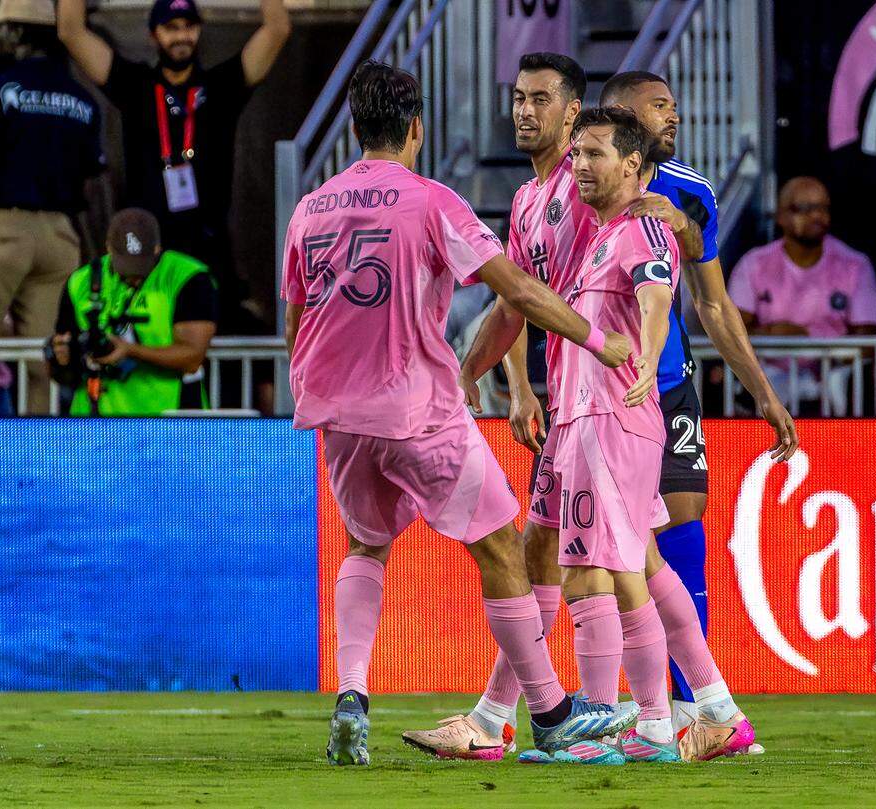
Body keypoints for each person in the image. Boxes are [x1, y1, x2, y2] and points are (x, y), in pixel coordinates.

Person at [402, 56, 786, 763]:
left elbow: (676, 249)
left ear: (575, 113)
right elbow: (515, 300)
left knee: (593, 561)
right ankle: (706, 708)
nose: (524, 112)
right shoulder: (528, 203)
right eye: (517, 98)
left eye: (540, 100)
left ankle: (596, 721)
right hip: (576, 399)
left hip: (628, 395)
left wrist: (675, 224)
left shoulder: (604, 188)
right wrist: (481, 378)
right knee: (587, 553)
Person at [280, 61, 638, 767]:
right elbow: (519, 292)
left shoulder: (311, 206)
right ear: (417, 128)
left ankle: (352, 695)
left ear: (355, 128)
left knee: (365, 545)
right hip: (417, 408)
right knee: (502, 547)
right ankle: (553, 712)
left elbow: (295, 320)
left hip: (336, 414)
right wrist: (601, 339)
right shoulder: (432, 200)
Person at [601, 70, 796, 730]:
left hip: (669, 384)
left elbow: (713, 304)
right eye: (660, 106)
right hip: (600, 393)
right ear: (624, 115)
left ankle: (691, 705)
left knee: (684, 524)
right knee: (605, 550)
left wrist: (763, 395)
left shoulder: (690, 193)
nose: (673, 117)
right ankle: (616, 704)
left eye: (674, 107)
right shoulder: (581, 188)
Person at [56, 0, 290, 332]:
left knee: (216, 341)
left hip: (208, 244)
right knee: (150, 334)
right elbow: (70, 31)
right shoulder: (135, 84)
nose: (181, 37)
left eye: (188, 27)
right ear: (153, 35)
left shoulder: (220, 86)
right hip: (148, 246)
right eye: (171, 28)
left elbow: (278, 29)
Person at [0, 0, 105, 415]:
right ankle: (38, 467)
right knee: (44, 359)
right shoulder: (84, 100)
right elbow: (94, 184)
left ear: (17, 36)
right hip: (60, 236)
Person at [727, 176, 876, 414]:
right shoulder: (753, 263)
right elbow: (731, 330)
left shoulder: (855, 264)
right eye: (805, 208)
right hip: (770, 372)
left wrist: (806, 337)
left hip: (833, 374)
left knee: (844, 382)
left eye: (823, 208)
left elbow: (869, 338)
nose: (817, 216)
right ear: (780, 216)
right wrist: (770, 335)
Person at [48, 207, 217, 415]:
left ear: (157, 248)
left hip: (169, 421)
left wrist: (129, 350)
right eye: (125, 267)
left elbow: (193, 356)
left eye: (141, 267)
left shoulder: (187, 277)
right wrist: (62, 358)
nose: (133, 276)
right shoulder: (81, 281)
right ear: (109, 248)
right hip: (94, 422)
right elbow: (63, 361)